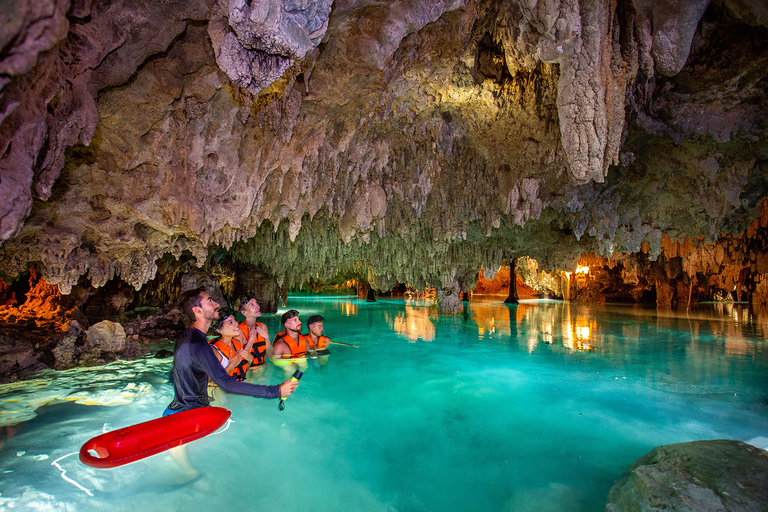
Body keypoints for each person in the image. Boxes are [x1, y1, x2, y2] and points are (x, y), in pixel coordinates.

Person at [165, 288, 298, 482]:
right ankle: (188, 470)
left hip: (193, 408)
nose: (217, 303)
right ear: (198, 311)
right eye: (210, 301)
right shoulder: (198, 345)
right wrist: (275, 391)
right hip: (186, 414)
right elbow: (226, 383)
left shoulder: (191, 338)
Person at [209, 307, 252, 381]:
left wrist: (250, 359)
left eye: (234, 320)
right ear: (219, 330)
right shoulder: (213, 350)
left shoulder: (236, 343)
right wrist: (231, 366)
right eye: (230, 322)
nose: (236, 323)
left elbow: (242, 371)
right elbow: (207, 381)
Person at [238, 294, 272, 371]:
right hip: (247, 374)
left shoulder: (263, 327)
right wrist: (251, 339)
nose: (257, 306)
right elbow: (240, 360)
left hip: (262, 371)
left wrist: (266, 337)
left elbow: (270, 355)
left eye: (256, 303)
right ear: (244, 313)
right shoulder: (239, 330)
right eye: (252, 305)